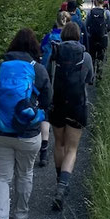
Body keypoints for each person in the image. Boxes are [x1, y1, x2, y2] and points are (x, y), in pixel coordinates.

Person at [0, 28, 52, 219]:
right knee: (25, 173)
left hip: (0, 131)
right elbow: (48, 100)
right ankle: (20, 215)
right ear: (34, 48)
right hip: (29, 134)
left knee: (1, 177)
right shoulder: (38, 70)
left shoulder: (1, 68)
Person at [49, 21, 93, 211]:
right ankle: (62, 187)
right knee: (72, 148)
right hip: (77, 106)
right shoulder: (85, 56)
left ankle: (60, 181)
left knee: (59, 143)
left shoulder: (55, 53)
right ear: (78, 36)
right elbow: (90, 80)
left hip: (57, 104)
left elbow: (49, 77)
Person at [38, 11, 71, 167]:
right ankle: (63, 148)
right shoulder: (69, 41)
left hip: (47, 79)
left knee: (45, 112)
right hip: (63, 82)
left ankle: (44, 148)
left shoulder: (48, 37)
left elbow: (40, 53)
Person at [85, 0, 110, 79]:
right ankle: (99, 74)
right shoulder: (106, 13)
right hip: (102, 38)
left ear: (96, 2)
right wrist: (105, 31)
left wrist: (90, 33)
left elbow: (86, 25)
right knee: (101, 56)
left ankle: (91, 76)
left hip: (92, 38)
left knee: (92, 56)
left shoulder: (90, 12)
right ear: (103, 2)